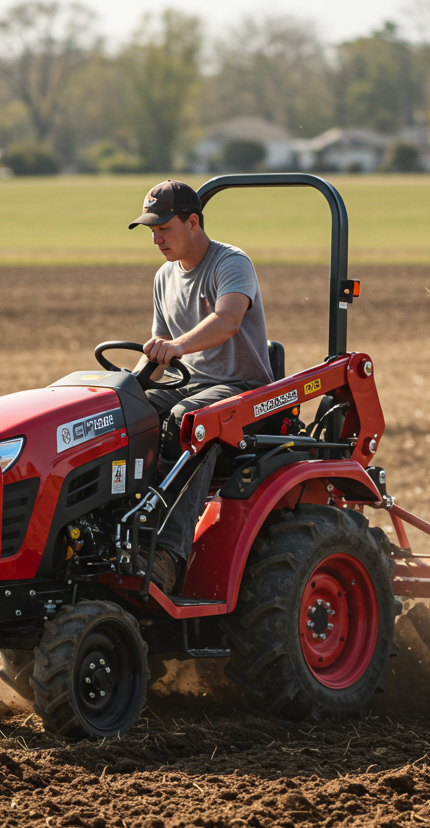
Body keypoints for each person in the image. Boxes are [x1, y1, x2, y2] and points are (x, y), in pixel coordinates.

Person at [128, 179, 273, 592]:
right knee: (125, 416)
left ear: (193, 222)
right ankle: (122, 534)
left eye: (164, 229)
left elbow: (227, 321)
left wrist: (176, 346)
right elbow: (157, 351)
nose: (156, 239)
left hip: (241, 389)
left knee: (189, 420)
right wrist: (126, 390)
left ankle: (167, 554)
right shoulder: (163, 276)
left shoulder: (231, 263)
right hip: (189, 384)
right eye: (152, 231)